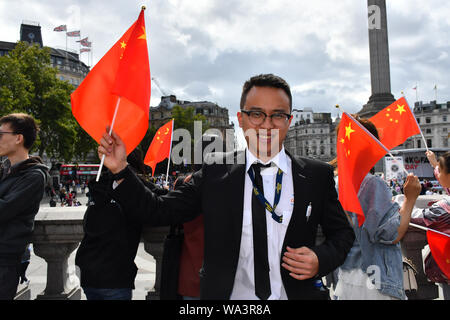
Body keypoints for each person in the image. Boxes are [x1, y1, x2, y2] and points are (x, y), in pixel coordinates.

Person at [98, 74, 355, 300]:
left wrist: (321, 259)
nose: (267, 124)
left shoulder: (316, 175)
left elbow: (343, 235)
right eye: (256, 114)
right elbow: (159, 210)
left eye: (277, 115)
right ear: (241, 119)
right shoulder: (216, 172)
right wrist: (121, 169)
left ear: (288, 120)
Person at [333, 116, 421, 300]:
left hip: (347, 276)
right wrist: (410, 199)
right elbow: (392, 234)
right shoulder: (371, 184)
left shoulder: (337, 182)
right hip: (374, 282)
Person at [75, 148, 168, 300]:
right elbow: (162, 205)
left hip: (87, 269)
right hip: (114, 273)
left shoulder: (98, 184)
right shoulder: (135, 186)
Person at [0, 113, 49, 300]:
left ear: (18, 138)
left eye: (1, 134)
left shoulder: (33, 176)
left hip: (5, 259)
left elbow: (4, 209)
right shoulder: (4, 170)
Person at [412, 150, 450, 299]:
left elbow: (415, 217)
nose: (437, 174)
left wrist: (408, 199)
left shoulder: (443, 207)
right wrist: (435, 163)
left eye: (440, 170)